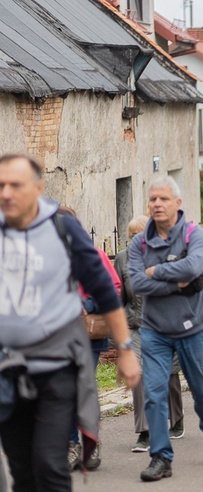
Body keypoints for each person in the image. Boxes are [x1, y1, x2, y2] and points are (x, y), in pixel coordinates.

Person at [0, 153, 139, 491]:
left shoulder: (62, 228)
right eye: (0, 185)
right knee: (22, 472)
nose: (6, 193)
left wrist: (125, 348)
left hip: (57, 366)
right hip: (7, 369)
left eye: (15, 185)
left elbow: (105, 291)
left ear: (38, 188)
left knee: (50, 464)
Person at [129, 176, 203, 482]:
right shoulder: (139, 242)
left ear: (177, 203)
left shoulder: (194, 235)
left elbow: (194, 269)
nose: (157, 204)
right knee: (154, 395)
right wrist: (177, 281)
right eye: (152, 199)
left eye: (163, 199)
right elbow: (136, 283)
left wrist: (156, 271)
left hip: (192, 328)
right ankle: (161, 457)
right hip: (154, 330)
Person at [115, 215, 185, 454]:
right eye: (132, 235)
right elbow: (119, 296)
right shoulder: (123, 259)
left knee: (170, 376)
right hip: (136, 325)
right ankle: (145, 432)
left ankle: (176, 419)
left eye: (140, 234)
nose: (136, 239)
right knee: (140, 377)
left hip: (165, 325)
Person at [62, 204, 122, 472]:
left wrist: (86, 303)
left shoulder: (94, 255)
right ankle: (71, 445)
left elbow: (115, 289)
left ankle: (89, 442)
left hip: (88, 334)